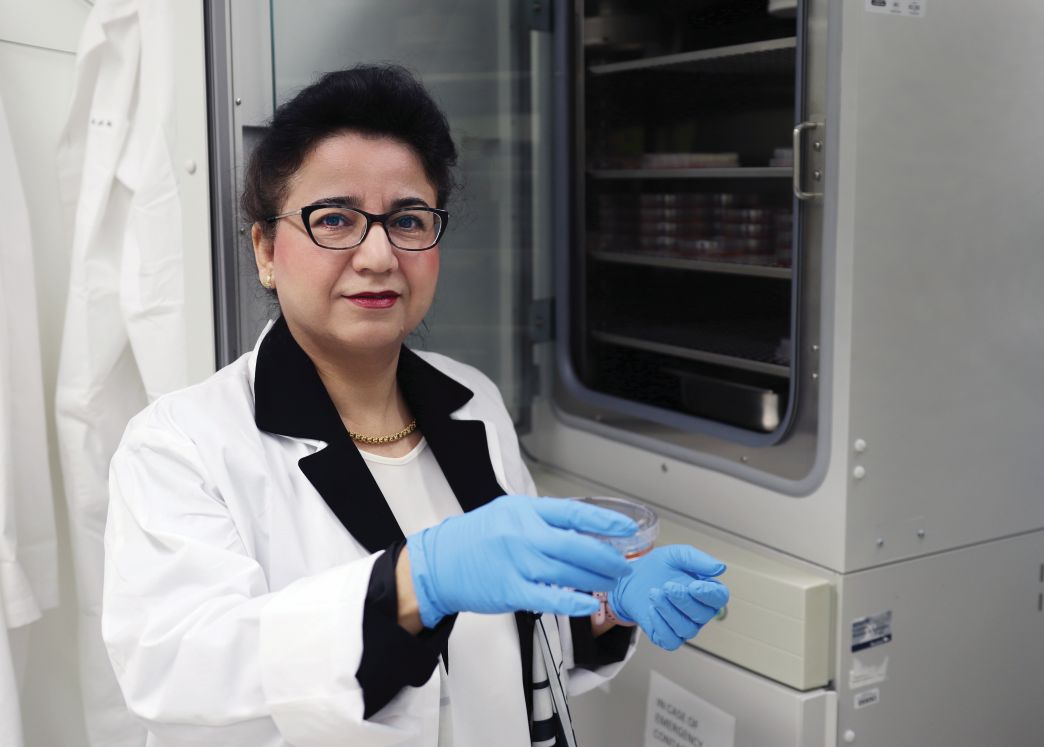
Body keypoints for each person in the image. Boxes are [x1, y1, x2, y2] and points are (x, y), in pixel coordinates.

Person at [101, 65, 729, 747]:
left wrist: (605, 606)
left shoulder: (473, 404)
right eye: (335, 218)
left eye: (406, 219)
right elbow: (178, 672)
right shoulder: (182, 444)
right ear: (266, 250)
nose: (378, 255)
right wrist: (413, 582)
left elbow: (508, 653)